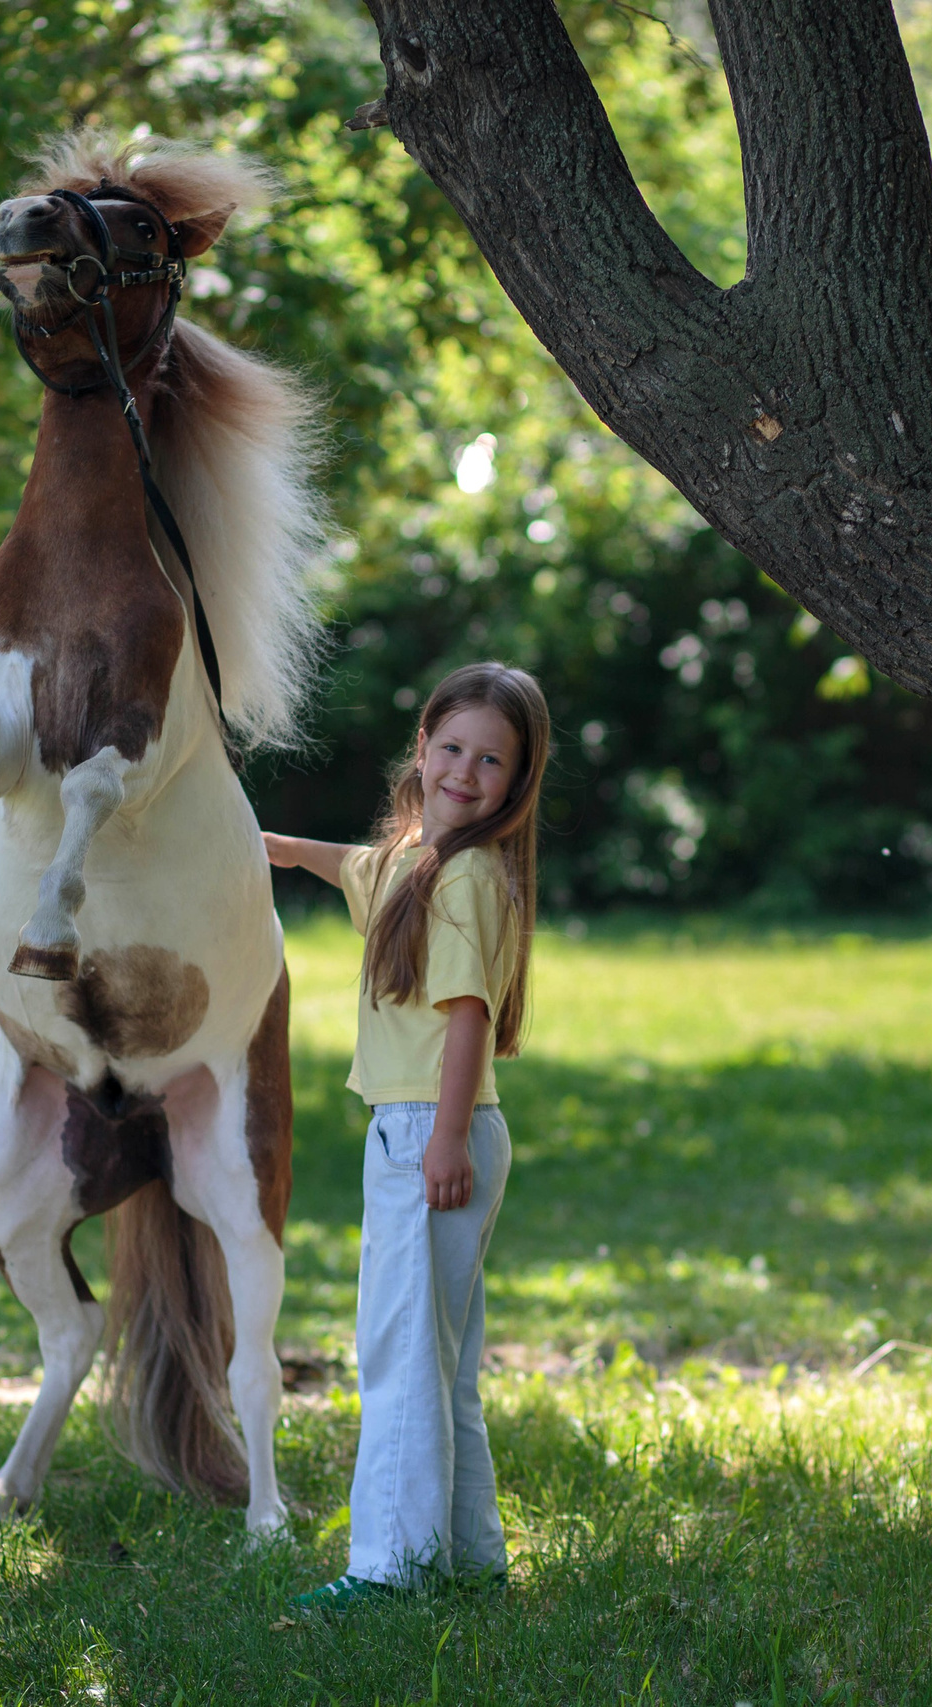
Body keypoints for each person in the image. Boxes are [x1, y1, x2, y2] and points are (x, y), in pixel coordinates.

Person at [264, 661, 551, 1608]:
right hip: (427, 1125)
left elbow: (466, 1015)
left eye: (493, 761)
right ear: (422, 746)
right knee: (440, 1360)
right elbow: (343, 859)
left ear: (517, 781)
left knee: (398, 1353)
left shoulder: (466, 877)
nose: (466, 771)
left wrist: (446, 1139)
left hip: (434, 1126)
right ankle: (469, 1561)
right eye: (454, 747)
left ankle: (386, 1572)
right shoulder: (416, 861)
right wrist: (263, 844)